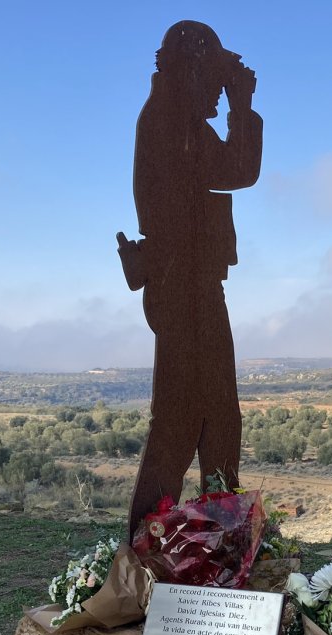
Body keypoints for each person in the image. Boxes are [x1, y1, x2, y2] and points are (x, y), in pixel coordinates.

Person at [119, 21, 262, 536]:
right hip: (186, 290)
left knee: (215, 421)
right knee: (185, 426)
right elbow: (239, 169)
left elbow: (232, 170)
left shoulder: (172, 118)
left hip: (193, 287)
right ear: (193, 73)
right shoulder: (170, 121)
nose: (221, 90)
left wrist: (236, 99)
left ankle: (213, 545)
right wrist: (241, 106)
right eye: (216, 79)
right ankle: (150, 550)